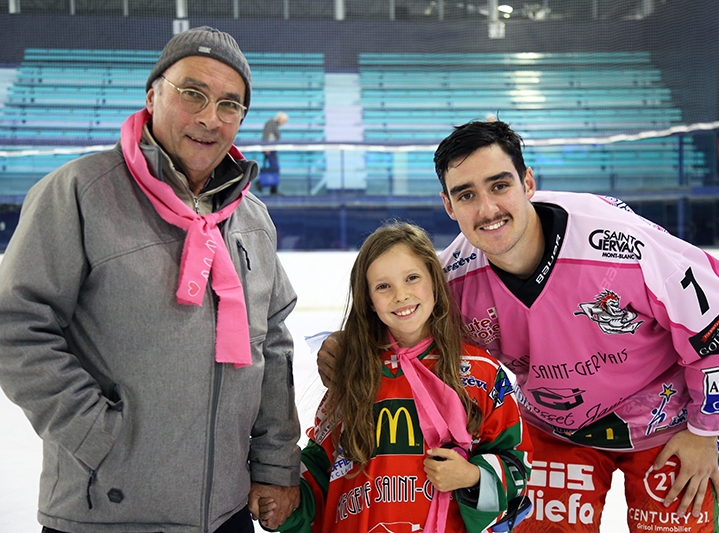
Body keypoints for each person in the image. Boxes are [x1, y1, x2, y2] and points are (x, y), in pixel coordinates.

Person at [319, 120, 719, 533]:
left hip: (670, 423)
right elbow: (410, 326)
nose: (487, 208)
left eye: (500, 185)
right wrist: (353, 344)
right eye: (466, 195)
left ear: (528, 182)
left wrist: (706, 431)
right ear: (449, 206)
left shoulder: (622, 243)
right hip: (555, 430)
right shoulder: (453, 279)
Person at [0, 27, 301, 533]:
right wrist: (100, 436)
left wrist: (275, 466)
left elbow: (271, 346)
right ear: (152, 94)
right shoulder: (78, 192)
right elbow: (15, 326)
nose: (209, 117)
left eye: (230, 104)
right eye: (192, 93)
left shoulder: (252, 219)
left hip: (225, 511)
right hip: (106, 513)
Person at [266, 222, 533, 533]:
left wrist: (472, 477)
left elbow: (518, 467)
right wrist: (283, 503)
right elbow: (318, 469)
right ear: (367, 300)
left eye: (412, 278)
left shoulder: (481, 372)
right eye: (383, 286)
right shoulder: (354, 374)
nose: (401, 295)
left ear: (434, 281)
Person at [259, 111, 288, 195]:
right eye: (284, 121)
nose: (284, 123)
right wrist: (267, 148)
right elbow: (268, 136)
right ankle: (271, 189)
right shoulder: (271, 123)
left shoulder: (273, 123)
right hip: (269, 150)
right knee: (275, 168)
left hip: (271, 149)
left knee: (274, 168)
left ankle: (272, 188)